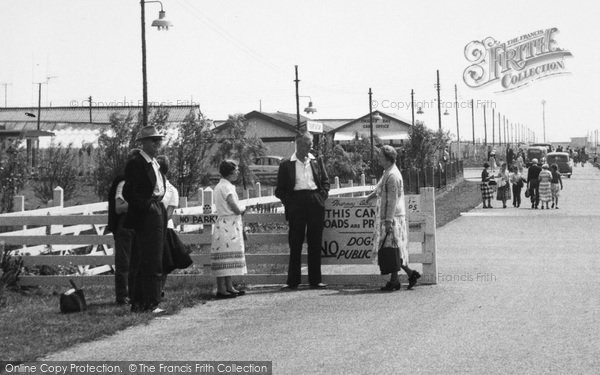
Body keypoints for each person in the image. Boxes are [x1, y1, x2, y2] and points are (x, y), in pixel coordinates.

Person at [275, 132, 330, 290]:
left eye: (311, 143)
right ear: (298, 144)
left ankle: (315, 280)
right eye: (307, 144)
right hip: (296, 203)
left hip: (315, 201)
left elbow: (325, 182)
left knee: (315, 242)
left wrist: (321, 197)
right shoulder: (286, 164)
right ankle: (293, 281)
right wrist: (290, 203)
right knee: (295, 243)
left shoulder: (316, 161)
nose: (310, 146)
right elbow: (279, 190)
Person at [123, 126, 168, 314]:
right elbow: (128, 192)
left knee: (155, 257)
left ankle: (149, 300)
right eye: (154, 141)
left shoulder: (154, 163)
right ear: (145, 143)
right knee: (147, 258)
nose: (158, 144)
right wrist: (146, 206)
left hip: (157, 208)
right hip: (148, 213)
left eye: (159, 141)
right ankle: (147, 302)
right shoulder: (137, 163)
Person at [366, 145, 421, 291]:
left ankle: (397, 280)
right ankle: (405, 276)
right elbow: (380, 189)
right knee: (393, 249)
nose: (378, 159)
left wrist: (388, 220)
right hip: (391, 216)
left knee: (392, 249)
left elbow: (392, 200)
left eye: (380, 156)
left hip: (393, 217)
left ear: (387, 158)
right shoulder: (388, 172)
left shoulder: (393, 175)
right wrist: (371, 196)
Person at [211, 160, 247, 299]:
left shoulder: (221, 185)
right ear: (230, 172)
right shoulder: (227, 187)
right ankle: (222, 289)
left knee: (226, 257)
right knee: (225, 257)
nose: (237, 172)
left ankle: (228, 286)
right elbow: (233, 205)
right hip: (228, 224)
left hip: (225, 223)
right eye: (236, 170)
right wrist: (241, 210)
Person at [107, 174, 134, 305]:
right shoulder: (123, 183)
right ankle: (122, 295)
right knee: (123, 262)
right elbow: (118, 208)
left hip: (135, 224)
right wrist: (137, 205)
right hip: (125, 224)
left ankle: (133, 293)